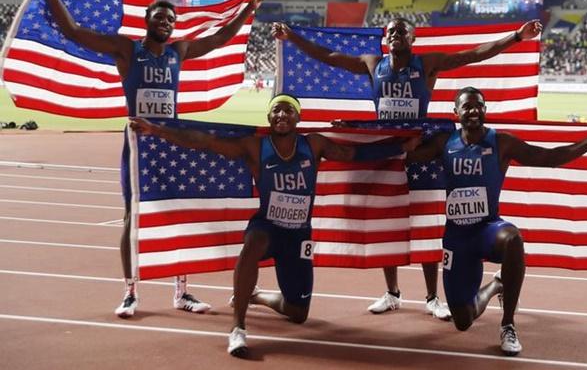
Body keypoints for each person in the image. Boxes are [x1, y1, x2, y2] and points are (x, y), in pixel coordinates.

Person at [32, 0, 264, 318]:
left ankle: (181, 291)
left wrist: (249, 8)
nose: (166, 23)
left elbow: (220, 39)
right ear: (147, 21)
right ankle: (130, 291)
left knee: (179, 212)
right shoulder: (127, 50)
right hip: (140, 143)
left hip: (172, 140)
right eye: (160, 18)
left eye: (170, 20)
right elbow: (74, 31)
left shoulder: (178, 52)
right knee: (132, 216)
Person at [271, 17, 543, 319]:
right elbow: (329, 57)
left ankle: (431, 297)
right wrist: (292, 37)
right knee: (389, 215)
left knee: (426, 220)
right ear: (386, 39)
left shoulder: (426, 64)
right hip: (386, 150)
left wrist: (517, 37)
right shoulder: (373, 64)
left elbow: (474, 54)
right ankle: (392, 292)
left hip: (421, 151)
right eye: (391, 32)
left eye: (402, 31)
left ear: (412, 38)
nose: (396, 35)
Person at [130, 93, 419, 357]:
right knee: (252, 245)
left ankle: (257, 295)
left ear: (298, 117)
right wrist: (156, 130)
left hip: (299, 235)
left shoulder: (313, 144)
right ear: (269, 118)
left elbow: (353, 154)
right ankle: (237, 328)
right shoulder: (255, 147)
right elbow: (205, 141)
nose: (282, 116)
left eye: (288, 111)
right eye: (276, 111)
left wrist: (398, 147)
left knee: (298, 312)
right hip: (267, 225)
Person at [404, 86, 587, 355]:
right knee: (462, 320)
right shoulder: (444, 142)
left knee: (513, 239)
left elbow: (548, 158)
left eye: (478, 105)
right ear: (456, 112)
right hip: (457, 238)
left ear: (484, 109)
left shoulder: (501, 142)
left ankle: (508, 324)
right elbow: (405, 154)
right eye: (467, 106)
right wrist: (386, 142)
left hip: (487, 229)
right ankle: (497, 284)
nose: (473, 110)